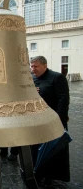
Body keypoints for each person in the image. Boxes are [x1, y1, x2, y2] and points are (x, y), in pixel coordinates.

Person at [30, 56, 70, 186]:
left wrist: (59, 120)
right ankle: (37, 173)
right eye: (31, 66)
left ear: (44, 65)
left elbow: (63, 100)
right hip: (37, 120)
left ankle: (50, 176)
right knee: (36, 149)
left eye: (35, 66)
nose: (32, 69)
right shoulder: (32, 78)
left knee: (52, 150)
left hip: (52, 120)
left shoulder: (57, 77)